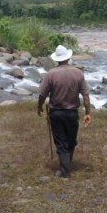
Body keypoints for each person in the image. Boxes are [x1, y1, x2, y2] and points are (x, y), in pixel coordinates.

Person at [37, 45, 92, 178]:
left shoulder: (51, 74)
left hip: (56, 112)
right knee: (71, 140)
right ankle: (66, 165)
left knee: (61, 141)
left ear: (57, 60)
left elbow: (42, 95)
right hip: (72, 112)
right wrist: (88, 113)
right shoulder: (78, 73)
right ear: (68, 57)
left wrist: (39, 107)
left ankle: (64, 170)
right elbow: (85, 95)